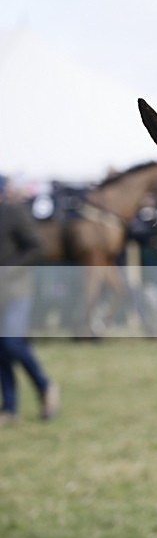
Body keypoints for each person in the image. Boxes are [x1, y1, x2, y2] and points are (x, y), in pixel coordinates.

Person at [0, 174, 59, 425]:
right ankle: (9, 408)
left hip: (16, 291)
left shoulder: (13, 212)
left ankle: (45, 386)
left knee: (11, 343)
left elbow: (36, 246)